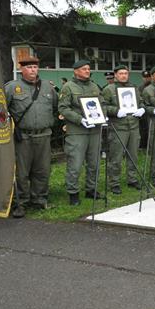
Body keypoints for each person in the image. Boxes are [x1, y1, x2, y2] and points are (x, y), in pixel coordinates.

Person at [4, 56, 58, 217]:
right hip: (23, 137)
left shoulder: (48, 87)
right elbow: (0, 110)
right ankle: (20, 202)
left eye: (35, 67)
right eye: (29, 67)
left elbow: (55, 107)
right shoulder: (12, 87)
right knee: (22, 172)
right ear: (22, 69)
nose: (33, 70)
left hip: (44, 135)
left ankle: (39, 199)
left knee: (42, 169)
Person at [58, 59, 104, 205]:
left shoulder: (94, 86)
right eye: (84, 69)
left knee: (94, 162)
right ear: (76, 71)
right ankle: (73, 193)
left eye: (88, 69)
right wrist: (79, 119)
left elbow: (101, 104)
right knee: (75, 163)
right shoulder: (68, 87)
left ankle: (91, 189)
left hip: (95, 130)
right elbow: (63, 108)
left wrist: (103, 116)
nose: (87, 71)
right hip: (77, 131)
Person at [101, 65, 145, 194]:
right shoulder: (108, 89)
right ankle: (114, 182)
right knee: (116, 156)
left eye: (126, 73)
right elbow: (103, 106)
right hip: (118, 127)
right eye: (121, 73)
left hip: (134, 126)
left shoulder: (134, 88)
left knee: (133, 155)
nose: (124, 75)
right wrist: (116, 111)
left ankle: (132, 179)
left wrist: (141, 108)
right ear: (115, 75)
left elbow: (140, 101)